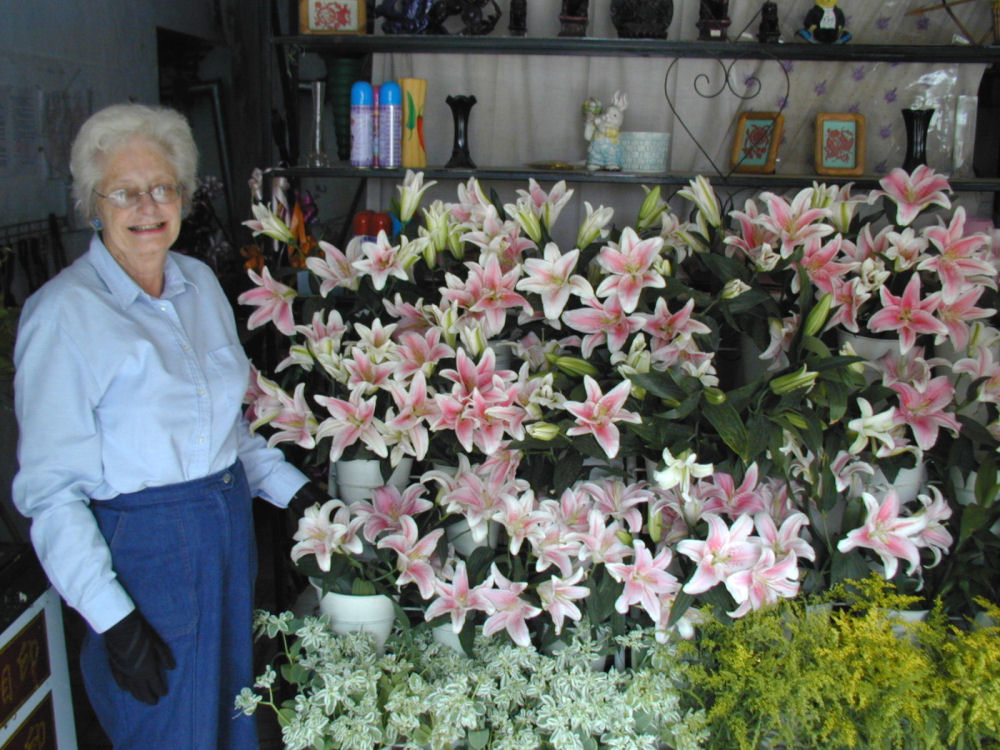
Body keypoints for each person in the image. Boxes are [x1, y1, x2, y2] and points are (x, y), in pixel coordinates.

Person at [11, 103, 325, 749]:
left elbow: (223, 428)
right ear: (93, 206)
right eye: (125, 192)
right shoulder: (62, 315)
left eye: (163, 188)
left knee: (236, 722)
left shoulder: (201, 284)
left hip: (228, 537)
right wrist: (113, 618)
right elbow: (50, 492)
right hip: (144, 558)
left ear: (182, 196)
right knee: (166, 731)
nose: (147, 206)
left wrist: (293, 491)